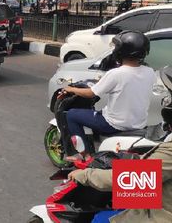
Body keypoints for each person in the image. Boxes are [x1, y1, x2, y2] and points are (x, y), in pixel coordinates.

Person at [67, 97, 172, 223]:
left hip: (165, 214)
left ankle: (84, 153)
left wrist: (85, 175)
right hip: (139, 126)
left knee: (99, 219)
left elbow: (134, 178)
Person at [61, 30, 155, 161]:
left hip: (113, 124)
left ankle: (84, 155)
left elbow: (91, 93)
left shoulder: (116, 74)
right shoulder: (150, 72)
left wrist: (71, 89)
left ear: (122, 51)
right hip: (138, 124)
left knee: (71, 114)